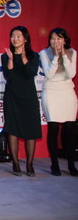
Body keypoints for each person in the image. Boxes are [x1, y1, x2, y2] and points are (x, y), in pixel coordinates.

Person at [1, 26, 41, 177]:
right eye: (13, 36)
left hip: (29, 97)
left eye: (19, 36)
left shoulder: (34, 56)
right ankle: (16, 163)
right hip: (12, 96)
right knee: (12, 129)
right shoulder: (6, 56)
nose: (15, 39)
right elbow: (9, 76)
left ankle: (30, 164)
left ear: (25, 39)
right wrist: (11, 59)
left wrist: (23, 58)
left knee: (31, 130)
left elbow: (30, 73)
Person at [39, 28, 77, 176]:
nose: (56, 42)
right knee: (53, 128)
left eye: (59, 38)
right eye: (53, 39)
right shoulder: (44, 53)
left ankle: (71, 164)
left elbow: (71, 73)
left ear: (65, 40)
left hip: (67, 91)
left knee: (69, 129)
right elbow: (49, 74)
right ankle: (54, 164)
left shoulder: (72, 52)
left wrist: (64, 56)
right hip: (51, 91)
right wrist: (55, 57)